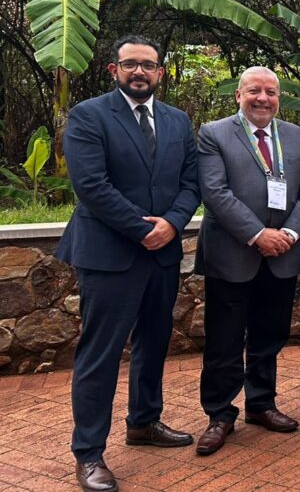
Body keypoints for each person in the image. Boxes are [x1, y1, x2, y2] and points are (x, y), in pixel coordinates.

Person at [58, 35, 201, 492]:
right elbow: (91, 186)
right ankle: (89, 453)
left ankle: (143, 422)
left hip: (162, 254)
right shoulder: (89, 115)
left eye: (148, 65)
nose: (140, 71)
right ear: (114, 70)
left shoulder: (178, 120)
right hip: (110, 255)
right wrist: (144, 230)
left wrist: (173, 224)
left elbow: (192, 182)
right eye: (130, 64)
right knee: (100, 354)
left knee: (153, 343)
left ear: (161, 72)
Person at [193, 67, 300, 456]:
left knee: (270, 335)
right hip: (232, 255)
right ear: (238, 95)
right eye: (254, 91)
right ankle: (219, 414)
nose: (263, 98)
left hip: (282, 255)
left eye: (270, 92)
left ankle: (261, 403)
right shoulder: (214, 134)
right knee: (224, 340)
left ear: (278, 98)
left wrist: (289, 234)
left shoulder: (296, 137)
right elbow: (215, 192)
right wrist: (257, 234)